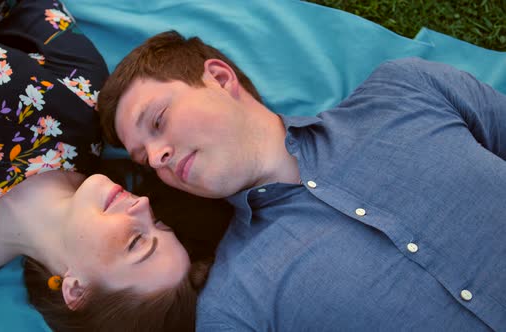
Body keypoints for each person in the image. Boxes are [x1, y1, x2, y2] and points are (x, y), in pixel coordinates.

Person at [99, 30, 506, 331]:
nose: (157, 157)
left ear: (220, 79)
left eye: (158, 121)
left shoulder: (407, 91)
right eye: (144, 160)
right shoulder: (231, 306)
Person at [0, 3, 230, 331]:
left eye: (137, 241)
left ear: (75, 289)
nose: (143, 205)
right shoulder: (81, 106)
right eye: (158, 222)